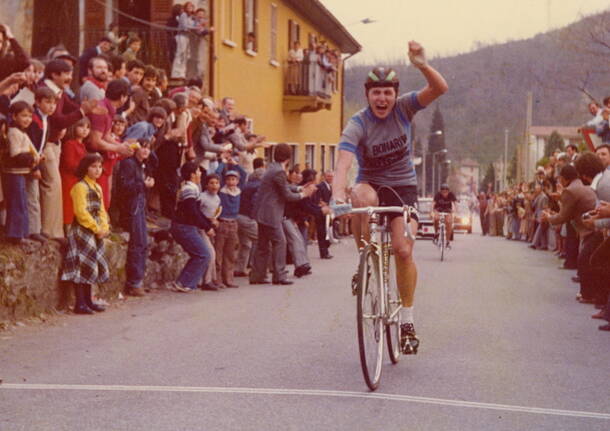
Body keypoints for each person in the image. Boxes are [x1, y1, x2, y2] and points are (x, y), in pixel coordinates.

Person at [331, 41, 448, 354]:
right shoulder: (358, 122)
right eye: (376, 93)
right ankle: (364, 260)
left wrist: (422, 64)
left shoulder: (405, 108)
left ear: (395, 95)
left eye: (387, 92)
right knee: (359, 196)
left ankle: (407, 322)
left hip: (403, 188)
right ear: (367, 95)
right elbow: (343, 162)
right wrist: (336, 195)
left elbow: (439, 88)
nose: (382, 98)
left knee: (402, 250)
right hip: (371, 183)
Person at [250, 143, 317, 285]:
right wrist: (304, 194)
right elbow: (286, 195)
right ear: (288, 157)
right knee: (280, 242)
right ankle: (279, 275)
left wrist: (299, 188)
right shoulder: (279, 172)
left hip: (262, 212)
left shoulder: (272, 168)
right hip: (271, 213)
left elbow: (284, 187)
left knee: (262, 245)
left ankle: (257, 275)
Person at [60, 153, 109, 314]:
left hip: (95, 231)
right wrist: (95, 228)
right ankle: (79, 303)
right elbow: (81, 212)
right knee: (81, 266)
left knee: (91, 265)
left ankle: (89, 300)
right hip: (82, 230)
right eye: (93, 166)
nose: (97, 170)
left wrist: (104, 227)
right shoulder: (79, 187)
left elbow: (101, 209)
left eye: (99, 167)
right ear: (85, 168)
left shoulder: (97, 187)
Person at [116, 140, 155, 297]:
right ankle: (134, 283)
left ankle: (138, 280)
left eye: (148, 148)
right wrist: (143, 185)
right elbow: (125, 188)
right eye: (143, 147)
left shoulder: (142, 164)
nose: (146, 151)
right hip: (131, 207)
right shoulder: (129, 164)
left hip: (139, 206)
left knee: (142, 243)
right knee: (138, 243)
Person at [170, 162, 214, 292]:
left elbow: (196, 211)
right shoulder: (189, 189)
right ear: (192, 174)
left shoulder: (193, 187)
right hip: (184, 227)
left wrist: (208, 224)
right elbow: (192, 212)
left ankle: (182, 282)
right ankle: (185, 283)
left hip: (186, 226)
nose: (201, 173)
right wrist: (207, 227)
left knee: (199, 254)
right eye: (198, 171)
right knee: (203, 254)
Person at [2, 101, 39, 244]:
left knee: (22, 202)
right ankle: (15, 235)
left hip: (21, 173)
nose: (27, 119)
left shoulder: (21, 132)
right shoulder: (13, 133)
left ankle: (21, 233)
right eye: (24, 116)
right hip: (13, 173)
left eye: (30, 116)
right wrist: (32, 158)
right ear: (14, 116)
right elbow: (15, 154)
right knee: (17, 203)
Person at [60, 117, 91, 228]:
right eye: (81, 126)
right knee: (69, 204)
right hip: (69, 179)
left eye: (88, 127)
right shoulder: (70, 144)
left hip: (78, 180)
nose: (85, 130)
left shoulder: (82, 145)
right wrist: (86, 168)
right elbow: (69, 164)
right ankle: (67, 229)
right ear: (74, 127)